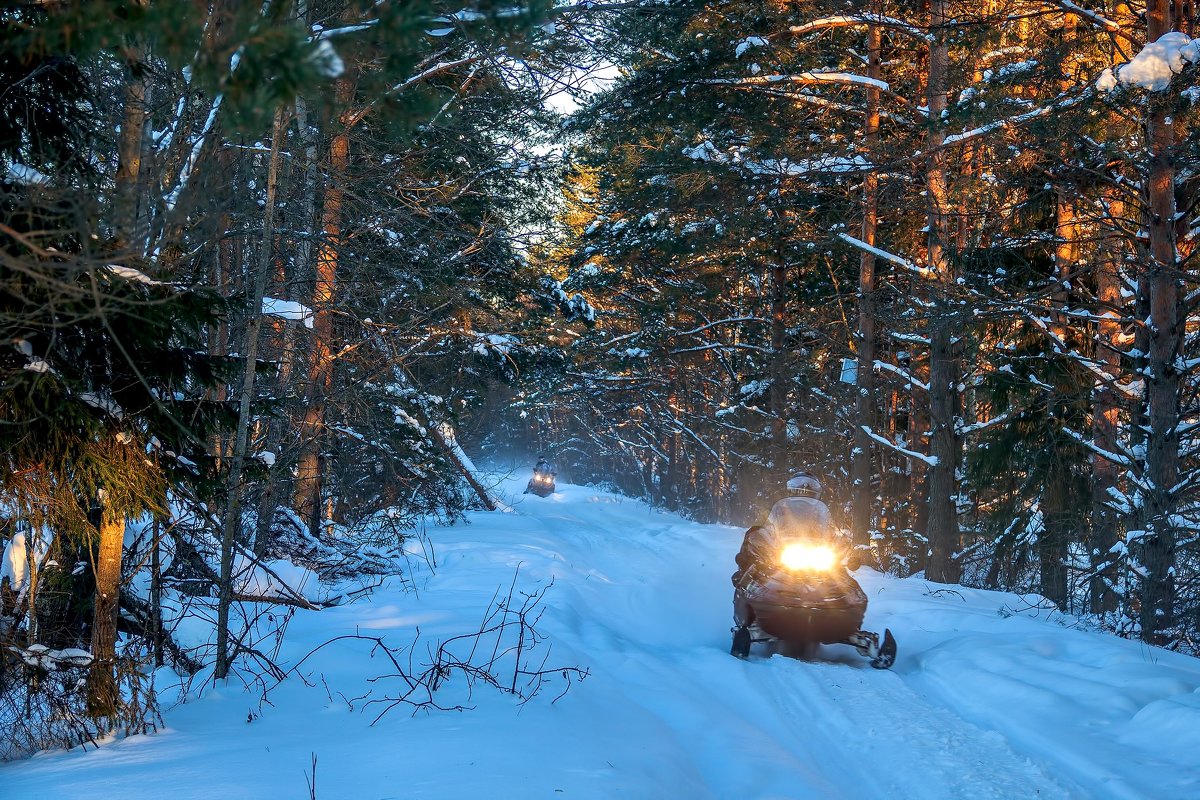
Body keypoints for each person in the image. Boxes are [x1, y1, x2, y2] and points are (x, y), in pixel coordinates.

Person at [732, 472, 836, 586]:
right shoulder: (780, 509)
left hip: (817, 557)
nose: (803, 488)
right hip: (781, 553)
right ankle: (744, 574)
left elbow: (832, 532)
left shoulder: (820, 512)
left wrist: (845, 548)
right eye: (799, 486)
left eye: (808, 486)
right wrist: (755, 544)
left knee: (840, 579)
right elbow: (761, 527)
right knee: (752, 538)